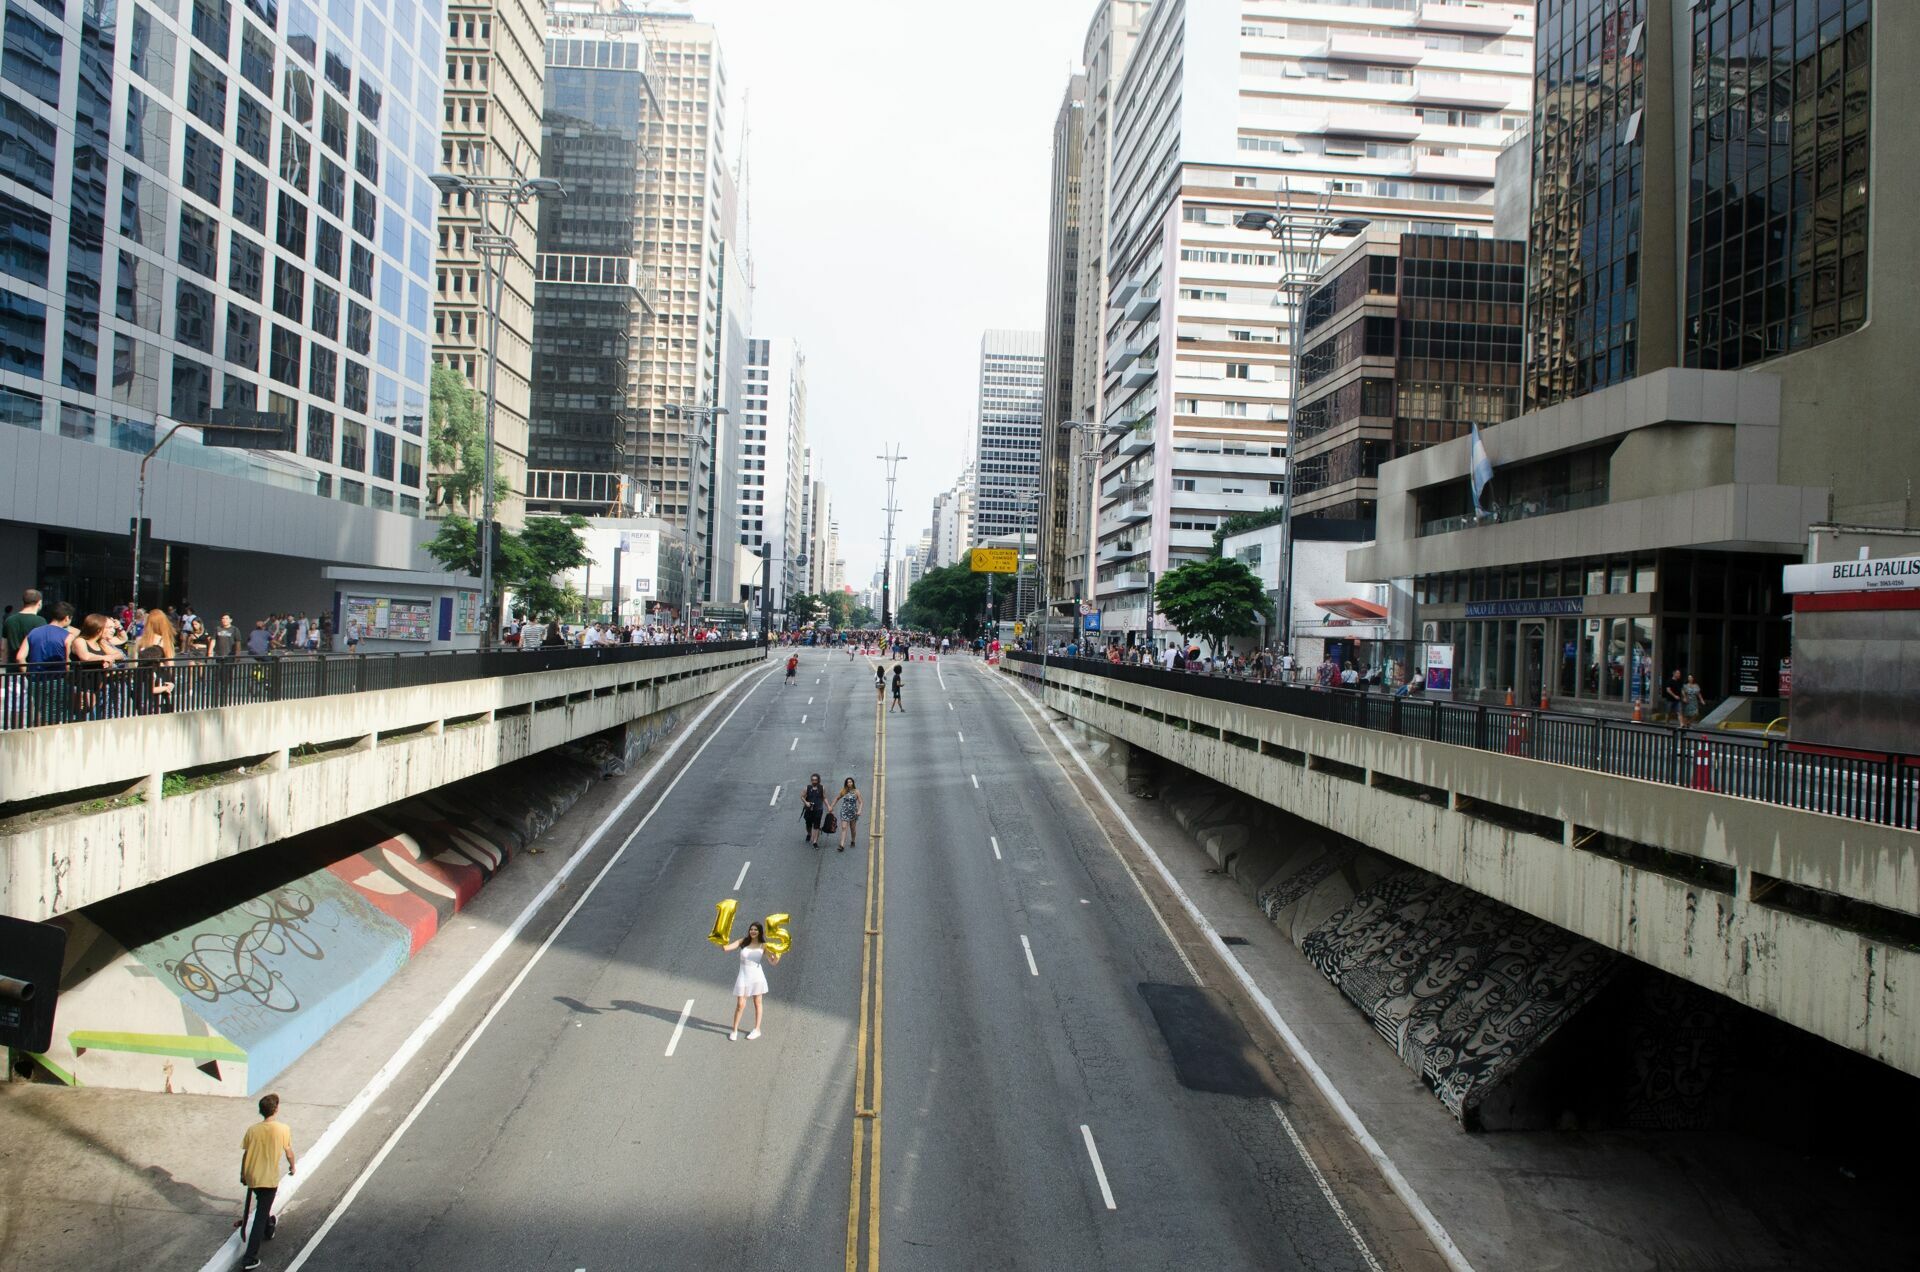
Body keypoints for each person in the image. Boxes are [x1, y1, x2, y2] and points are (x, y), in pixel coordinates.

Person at [238, 1091, 296, 1270]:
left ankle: (269, 1226)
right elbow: (288, 1152)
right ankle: (250, 1257)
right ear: (276, 1109)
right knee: (260, 1216)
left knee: (263, 1207)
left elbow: (246, 1153)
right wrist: (292, 1166)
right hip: (268, 1179)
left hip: (253, 1177)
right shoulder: (283, 1129)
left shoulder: (252, 1130)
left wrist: (243, 1174)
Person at [724, 921, 780, 1040]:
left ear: (760, 932)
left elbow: (773, 962)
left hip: (757, 977)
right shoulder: (743, 941)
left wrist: (777, 955)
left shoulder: (763, 945)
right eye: (751, 929)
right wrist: (720, 939)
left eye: (755, 929)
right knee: (740, 1004)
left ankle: (757, 1029)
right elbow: (726, 948)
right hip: (743, 976)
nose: (753, 931)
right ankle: (734, 1030)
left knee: (757, 1002)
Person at [134, 609, 178, 714]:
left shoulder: (140, 640)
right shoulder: (164, 641)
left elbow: (135, 661)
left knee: (143, 710)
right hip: (159, 678)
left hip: (142, 678)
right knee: (159, 710)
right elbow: (170, 665)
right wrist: (171, 683)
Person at [834, 776, 863, 852]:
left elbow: (861, 802)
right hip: (844, 811)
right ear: (846, 784)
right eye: (848, 782)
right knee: (844, 827)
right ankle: (842, 845)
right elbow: (837, 798)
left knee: (852, 828)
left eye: (850, 782)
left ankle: (853, 840)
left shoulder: (856, 791)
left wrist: (859, 810)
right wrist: (831, 806)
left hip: (853, 812)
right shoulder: (844, 791)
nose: (849, 783)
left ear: (853, 783)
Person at [801, 773, 827, 846]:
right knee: (808, 824)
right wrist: (806, 802)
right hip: (809, 810)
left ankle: (815, 842)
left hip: (818, 809)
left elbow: (824, 797)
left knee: (817, 825)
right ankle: (809, 834)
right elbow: (802, 796)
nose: (814, 781)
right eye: (812, 780)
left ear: (818, 780)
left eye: (815, 780)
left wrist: (828, 806)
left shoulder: (822, 788)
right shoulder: (807, 788)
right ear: (811, 780)